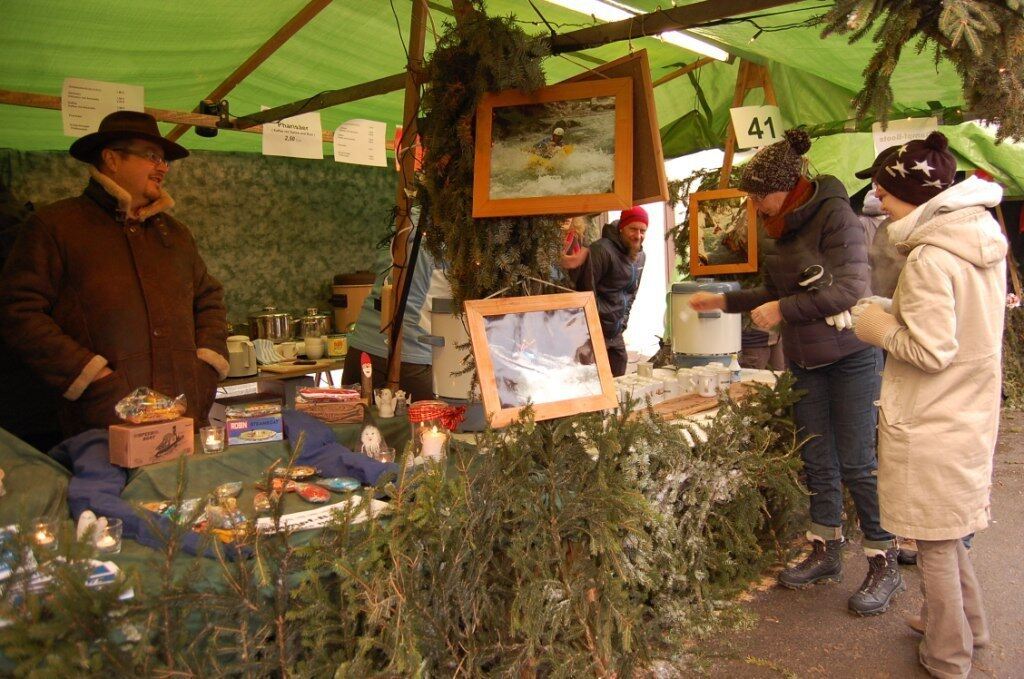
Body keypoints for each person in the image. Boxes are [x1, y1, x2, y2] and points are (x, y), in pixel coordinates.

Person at [688, 129, 901, 616]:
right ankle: (826, 548)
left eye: (760, 195)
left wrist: (783, 309)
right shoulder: (773, 226)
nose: (755, 205)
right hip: (806, 359)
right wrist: (722, 301)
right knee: (815, 457)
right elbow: (769, 289)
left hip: (851, 355)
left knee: (857, 460)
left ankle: (882, 558)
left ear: (789, 187)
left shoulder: (836, 215)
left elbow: (849, 291)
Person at [851, 132, 1003, 679]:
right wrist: (891, 304)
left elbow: (929, 348)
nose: (879, 204)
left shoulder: (930, 257)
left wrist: (873, 322)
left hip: (934, 413)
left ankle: (947, 654)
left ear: (913, 194)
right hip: (968, 408)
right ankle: (971, 625)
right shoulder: (976, 237)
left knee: (936, 543)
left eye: (885, 195)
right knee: (950, 527)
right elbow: (956, 321)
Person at [0, 111, 228, 438]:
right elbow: (18, 311)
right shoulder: (56, 226)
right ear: (111, 159)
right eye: (151, 157)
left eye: (164, 160)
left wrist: (206, 362)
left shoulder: (175, 234)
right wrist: (90, 373)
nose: (162, 167)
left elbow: (209, 298)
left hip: (186, 411)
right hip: (104, 419)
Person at [344, 221, 448, 402]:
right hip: (410, 359)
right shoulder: (455, 234)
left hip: (361, 349)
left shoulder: (405, 221)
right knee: (429, 428)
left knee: (357, 428)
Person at [578, 205, 647, 377]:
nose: (638, 236)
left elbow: (631, 295)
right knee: (593, 385)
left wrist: (622, 323)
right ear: (622, 227)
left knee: (619, 380)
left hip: (616, 332)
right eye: (633, 229)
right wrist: (596, 326)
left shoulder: (640, 256)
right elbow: (586, 292)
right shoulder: (601, 250)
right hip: (592, 331)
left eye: (642, 230)